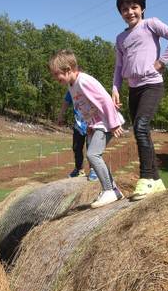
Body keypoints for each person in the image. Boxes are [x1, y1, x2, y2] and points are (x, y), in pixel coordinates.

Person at [112, 0, 168, 201]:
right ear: (120, 12)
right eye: (124, 9)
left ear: (142, 8)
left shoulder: (150, 24)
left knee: (142, 127)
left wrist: (162, 61)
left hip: (152, 85)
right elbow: (118, 67)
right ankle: (157, 181)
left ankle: (145, 179)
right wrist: (115, 88)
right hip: (133, 89)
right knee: (140, 132)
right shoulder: (120, 38)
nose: (130, 12)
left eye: (134, 7)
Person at [50, 50, 125, 208]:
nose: (55, 78)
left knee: (92, 155)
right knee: (94, 155)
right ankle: (114, 190)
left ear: (68, 69)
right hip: (96, 124)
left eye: (57, 74)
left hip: (106, 122)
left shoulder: (83, 81)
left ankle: (108, 190)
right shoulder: (72, 85)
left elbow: (104, 100)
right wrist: (89, 125)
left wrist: (114, 124)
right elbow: (85, 107)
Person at [57, 90, 97, 180]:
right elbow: (66, 102)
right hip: (78, 124)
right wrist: (61, 115)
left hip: (91, 122)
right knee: (76, 147)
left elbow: (97, 101)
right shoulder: (71, 90)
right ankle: (79, 170)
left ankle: (94, 169)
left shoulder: (87, 86)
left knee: (91, 147)